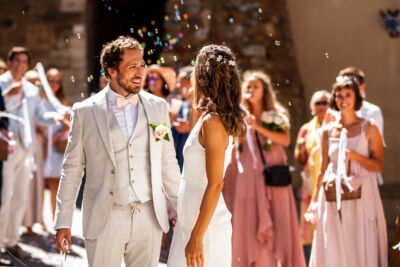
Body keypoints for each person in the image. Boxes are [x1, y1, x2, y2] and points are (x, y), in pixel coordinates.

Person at [54, 36, 181, 267]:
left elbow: (167, 162)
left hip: (149, 217)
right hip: (105, 217)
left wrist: (185, 211)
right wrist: (63, 221)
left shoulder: (157, 108)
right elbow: (72, 169)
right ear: (112, 70)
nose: (140, 72)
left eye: (141, 65)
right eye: (132, 67)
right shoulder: (85, 112)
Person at [167, 44, 246, 267]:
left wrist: (196, 236)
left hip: (204, 229)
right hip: (191, 219)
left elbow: (215, 184)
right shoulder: (207, 117)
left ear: (203, 76)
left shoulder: (214, 123)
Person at [308, 79, 387, 267]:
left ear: (356, 98)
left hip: (363, 196)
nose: (343, 99)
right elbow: (322, 168)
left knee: (358, 236)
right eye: (339, 95)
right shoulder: (327, 131)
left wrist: (355, 156)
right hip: (332, 196)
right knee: (333, 238)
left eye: (348, 95)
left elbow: (378, 166)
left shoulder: (369, 127)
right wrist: (313, 201)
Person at [231, 71, 306, 267]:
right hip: (248, 171)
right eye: (248, 86)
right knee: (249, 218)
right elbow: (235, 142)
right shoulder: (239, 115)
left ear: (265, 91)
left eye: (256, 86)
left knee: (277, 217)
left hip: (272, 172)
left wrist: (258, 127)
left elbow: (285, 140)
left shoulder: (276, 113)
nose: (251, 90)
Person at [0, 47, 64, 261]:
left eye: (24, 61)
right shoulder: (1, 84)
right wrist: (6, 95)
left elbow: (39, 115)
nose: (20, 65)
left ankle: (11, 241)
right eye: (16, 61)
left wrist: (56, 117)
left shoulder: (30, 89)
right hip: (5, 147)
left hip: (25, 147)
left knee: (19, 198)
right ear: (10, 62)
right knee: (4, 197)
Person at [294, 90, 330, 261]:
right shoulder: (306, 129)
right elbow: (300, 159)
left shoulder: (335, 126)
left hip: (330, 182)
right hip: (311, 184)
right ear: (312, 107)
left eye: (325, 102)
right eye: (318, 103)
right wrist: (301, 149)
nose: (322, 106)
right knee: (310, 225)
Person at [42, 68, 70, 220]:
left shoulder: (63, 101)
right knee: (38, 185)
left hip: (56, 147)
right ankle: (37, 220)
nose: (54, 84)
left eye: (57, 81)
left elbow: (69, 124)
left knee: (55, 185)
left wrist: (55, 137)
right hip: (41, 144)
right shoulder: (40, 99)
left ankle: (55, 219)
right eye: (51, 80)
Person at [22, 70, 45, 235]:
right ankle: (24, 221)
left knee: (36, 182)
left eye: (37, 82)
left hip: (35, 143)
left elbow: (42, 124)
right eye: (32, 81)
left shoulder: (38, 99)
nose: (35, 85)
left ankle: (34, 220)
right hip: (22, 143)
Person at [337, 67, 383, 135]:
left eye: (353, 84)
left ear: (362, 87)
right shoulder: (331, 111)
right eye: (344, 84)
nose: (347, 88)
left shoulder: (373, 111)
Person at [171, 66, 193, 171]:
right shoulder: (176, 105)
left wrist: (189, 128)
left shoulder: (203, 107)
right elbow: (160, 138)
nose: (178, 86)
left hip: (192, 166)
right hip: (176, 164)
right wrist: (167, 123)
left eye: (182, 82)